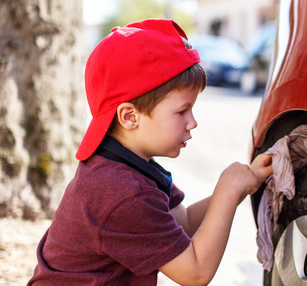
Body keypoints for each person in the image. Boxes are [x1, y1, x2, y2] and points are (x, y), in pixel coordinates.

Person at [28, 19, 272, 285]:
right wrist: (228, 191)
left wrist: (242, 185)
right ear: (130, 116)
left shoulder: (130, 165)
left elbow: (185, 222)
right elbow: (195, 272)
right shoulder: (120, 190)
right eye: (182, 111)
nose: (193, 122)